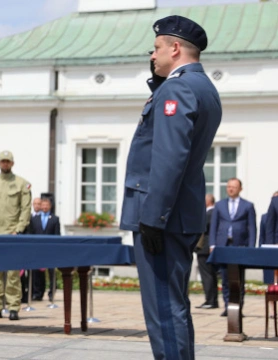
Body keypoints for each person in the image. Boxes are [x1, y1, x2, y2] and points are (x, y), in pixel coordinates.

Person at [120, 15, 221, 360]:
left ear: (175, 48)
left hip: (162, 217)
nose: (152, 54)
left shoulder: (177, 89)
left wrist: (153, 217)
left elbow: (169, 158)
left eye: (157, 47)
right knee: (174, 306)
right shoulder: (202, 86)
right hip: (181, 214)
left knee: (163, 310)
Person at [0, 150, 31, 321]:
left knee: (12, 274)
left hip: (12, 234)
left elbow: (25, 209)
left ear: (12, 163)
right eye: (3, 161)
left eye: (8, 161)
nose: (5, 164)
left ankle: (13, 307)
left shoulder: (21, 184)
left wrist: (18, 229)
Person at [209, 178, 256, 317]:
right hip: (223, 245)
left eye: (234, 187)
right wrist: (212, 244)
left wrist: (251, 247)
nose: (230, 189)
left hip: (240, 245)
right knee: (225, 277)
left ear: (240, 188)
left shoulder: (247, 206)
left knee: (239, 278)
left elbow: (252, 227)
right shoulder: (219, 205)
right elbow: (214, 226)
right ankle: (227, 306)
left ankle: (238, 306)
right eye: (229, 186)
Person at [26, 198, 61, 301]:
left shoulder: (54, 219)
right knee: (36, 272)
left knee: (51, 272)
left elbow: (57, 234)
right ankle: (37, 293)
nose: (45, 207)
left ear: (50, 206)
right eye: (43, 205)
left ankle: (51, 292)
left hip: (50, 249)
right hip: (37, 249)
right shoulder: (34, 219)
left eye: (47, 205)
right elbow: (30, 233)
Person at [194, 194, 218, 309]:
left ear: (208, 202)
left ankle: (210, 300)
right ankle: (213, 300)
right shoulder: (215, 213)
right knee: (212, 275)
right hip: (211, 248)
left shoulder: (208, 214)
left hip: (204, 248)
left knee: (207, 275)